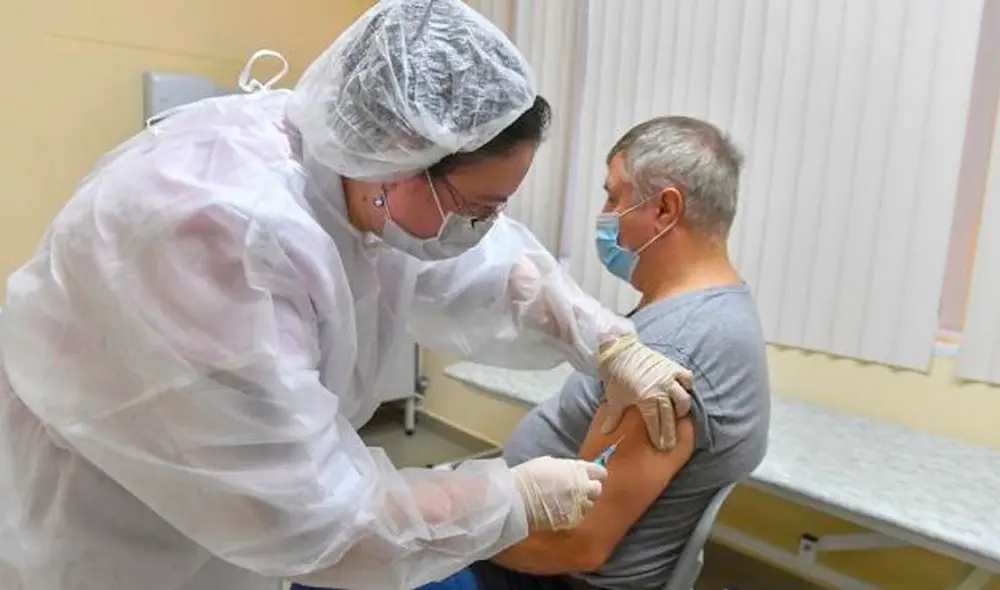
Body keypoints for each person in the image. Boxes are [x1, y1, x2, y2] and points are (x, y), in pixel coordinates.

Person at [0, 2, 696, 590]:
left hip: (228, 522)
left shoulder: (350, 165)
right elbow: (308, 515)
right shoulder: (221, 231)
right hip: (113, 531)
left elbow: (493, 268)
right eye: (478, 208)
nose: (483, 229)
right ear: (402, 152)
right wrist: (507, 500)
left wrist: (605, 342)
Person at [330, 115, 771, 590]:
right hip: (527, 545)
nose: (604, 213)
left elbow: (577, 542)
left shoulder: (676, 347)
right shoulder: (715, 308)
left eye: (614, 197)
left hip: (544, 575)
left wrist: (454, 524)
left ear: (665, 209)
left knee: (337, 567)